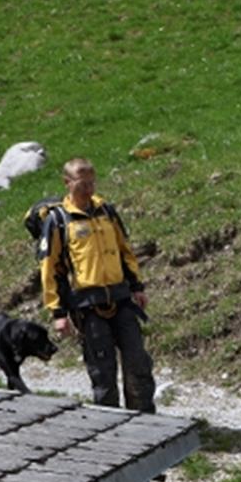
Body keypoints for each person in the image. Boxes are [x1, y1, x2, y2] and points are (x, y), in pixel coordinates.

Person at [39, 157, 155, 412]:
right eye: (82, 184)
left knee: (138, 362)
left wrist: (137, 286)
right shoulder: (59, 220)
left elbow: (125, 251)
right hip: (88, 307)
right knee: (103, 370)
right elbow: (51, 269)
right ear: (67, 183)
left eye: (92, 182)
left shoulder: (107, 211)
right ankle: (110, 425)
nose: (89, 189)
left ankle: (146, 420)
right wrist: (58, 313)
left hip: (121, 298)